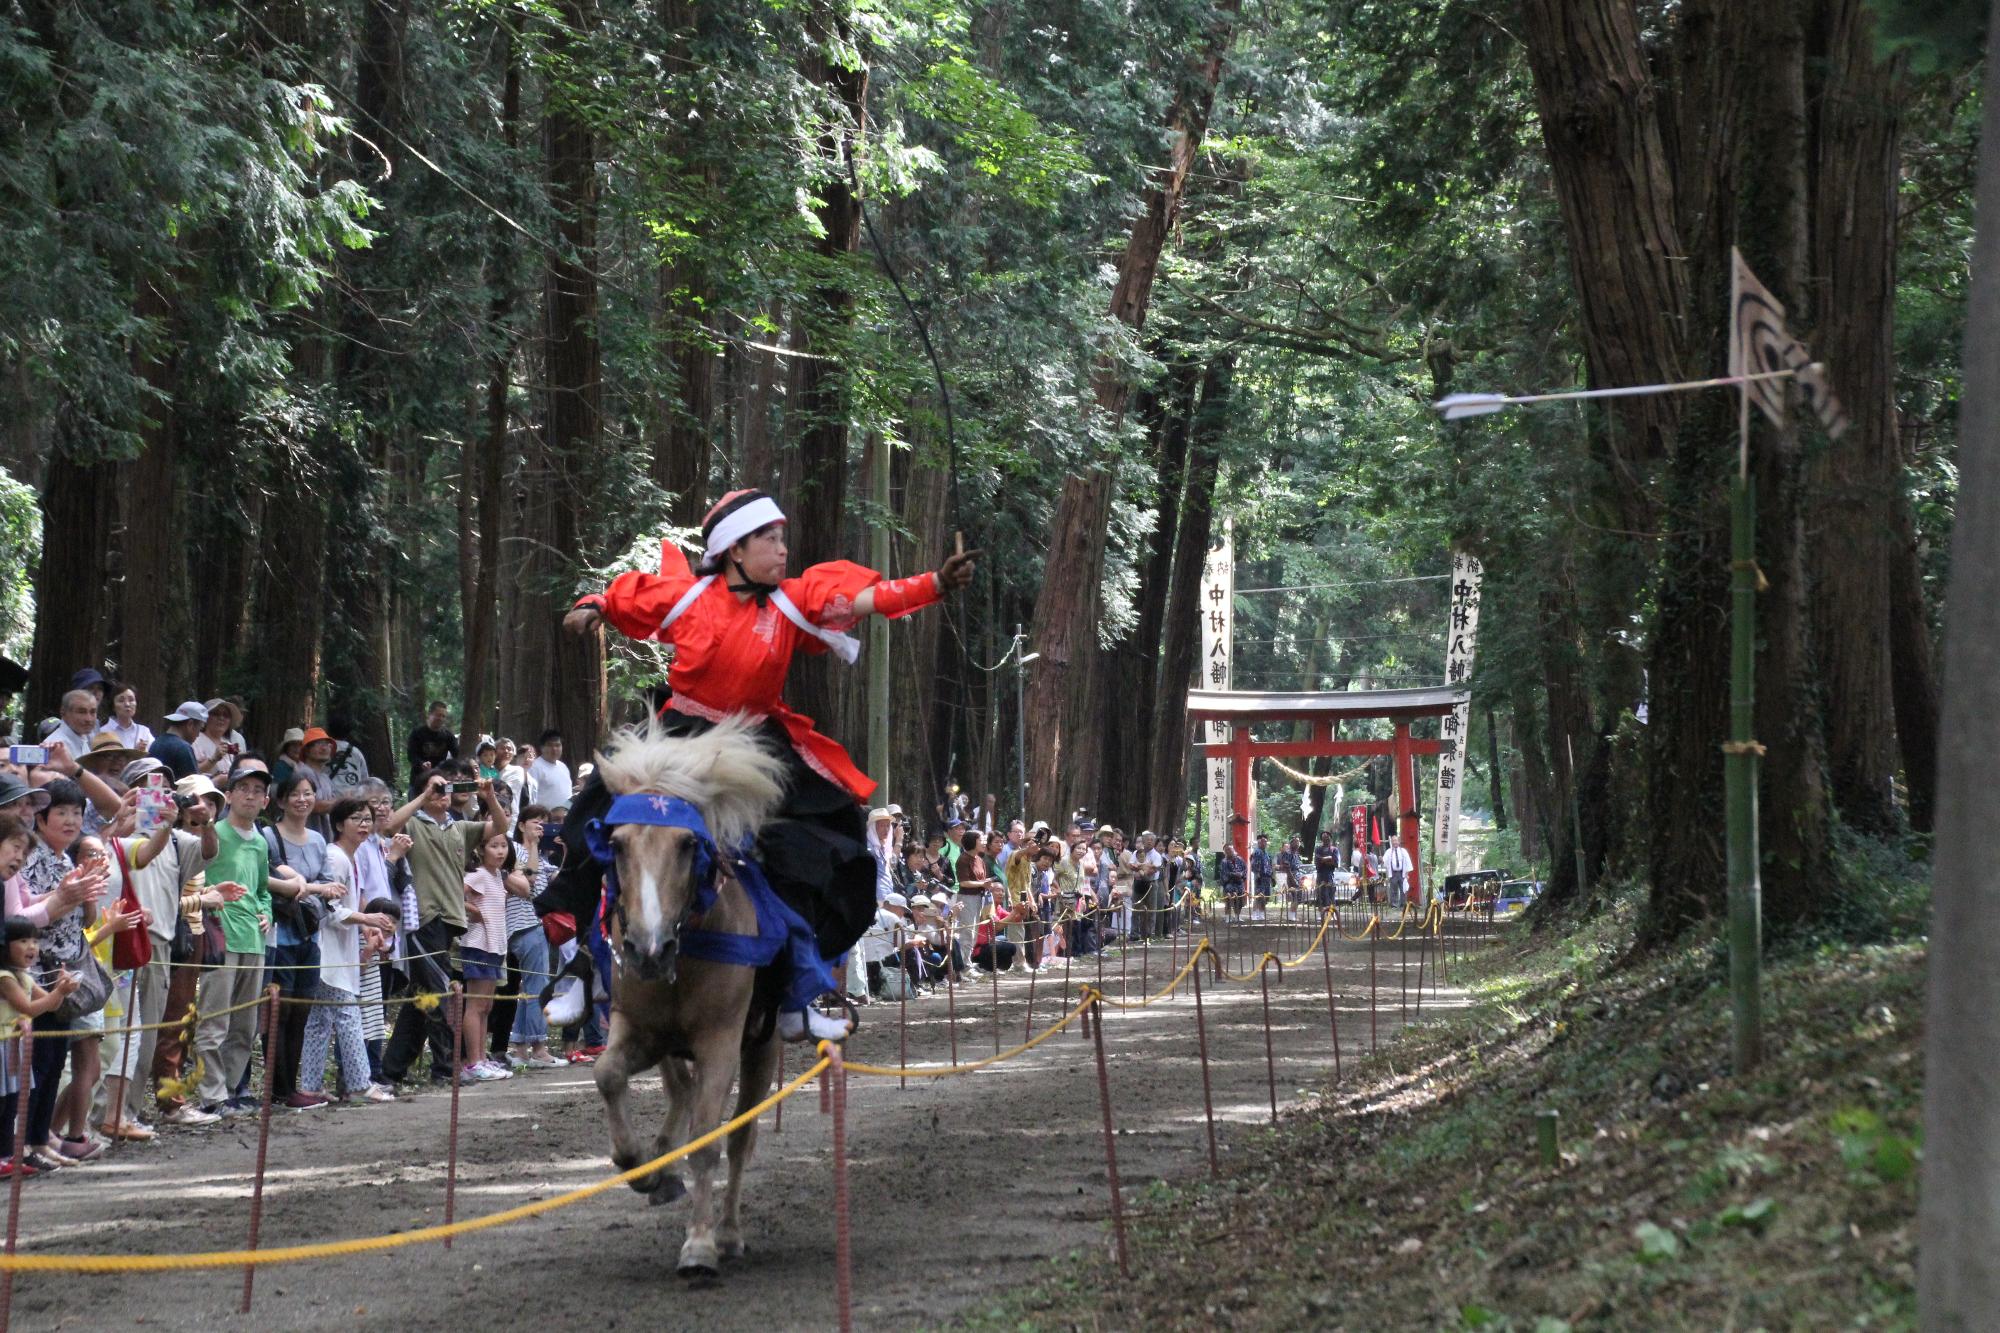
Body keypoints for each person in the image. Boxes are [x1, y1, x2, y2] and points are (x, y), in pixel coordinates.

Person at [545, 487, 975, 1043]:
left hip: (758, 742)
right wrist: (591, 607)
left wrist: (935, 584)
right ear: (734, 550)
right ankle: (581, 970)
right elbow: (628, 600)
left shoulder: (794, 602)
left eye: (782, 537)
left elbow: (870, 598)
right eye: (769, 539)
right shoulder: (691, 598)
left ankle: (800, 987)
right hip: (684, 733)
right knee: (597, 816)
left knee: (825, 838)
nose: (782, 549)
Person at [376, 771, 510, 1086]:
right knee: (438, 994)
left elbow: (502, 828)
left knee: (422, 997)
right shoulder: (415, 822)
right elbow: (389, 826)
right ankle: (445, 1066)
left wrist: (488, 796)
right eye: (437, 788)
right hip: (422, 920)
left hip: (449, 918)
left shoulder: (460, 828)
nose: (442, 793)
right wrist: (425, 795)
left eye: (446, 788)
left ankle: (392, 1068)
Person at [299, 797, 398, 1104]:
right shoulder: (336, 857)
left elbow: (349, 907)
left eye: (368, 819)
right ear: (340, 824)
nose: (364, 824)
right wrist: (366, 918)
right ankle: (358, 1084)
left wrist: (364, 925)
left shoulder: (351, 858)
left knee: (319, 1022)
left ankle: (310, 1087)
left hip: (338, 953)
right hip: (328, 953)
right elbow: (330, 909)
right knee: (347, 1015)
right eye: (357, 819)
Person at [193, 760, 275, 1118]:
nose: (251, 796)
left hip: (253, 940)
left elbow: (263, 889)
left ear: (266, 802)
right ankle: (210, 1095)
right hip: (219, 938)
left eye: (258, 791)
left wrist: (267, 912)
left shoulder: (260, 841)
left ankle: (228, 1090)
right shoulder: (214, 835)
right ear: (228, 795)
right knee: (214, 1020)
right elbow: (194, 879)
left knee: (244, 1025)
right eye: (244, 789)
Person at [0, 912, 80, 1178]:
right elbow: (29, 1008)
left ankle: (9, 1154)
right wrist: (58, 994)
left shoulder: (24, 976)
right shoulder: (5, 978)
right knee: (2, 1102)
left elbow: (49, 1004)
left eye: (34, 941)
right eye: (23, 940)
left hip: (17, 1046)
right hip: (4, 1046)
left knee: (13, 1102)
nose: (32, 947)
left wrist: (61, 990)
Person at [458, 830, 518, 1082]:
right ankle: (472, 1062)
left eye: (504, 846)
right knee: (476, 1005)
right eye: (494, 846)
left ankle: (481, 1058)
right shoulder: (479, 875)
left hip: (495, 946)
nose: (500, 851)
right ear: (481, 849)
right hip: (478, 945)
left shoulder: (497, 877)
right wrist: (473, 911)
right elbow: (455, 895)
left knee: (487, 1006)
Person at [504, 806, 561, 1070]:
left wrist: (567, 847)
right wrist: (533, 846)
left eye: (544, 823)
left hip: (530, 925)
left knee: (530, 987)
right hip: (524, 925)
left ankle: (520, 1048)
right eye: (535, 822)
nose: (540, 826)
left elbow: (559, 879)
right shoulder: (513, 851)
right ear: (521, 825)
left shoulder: (540, 855)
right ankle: (538, 1048)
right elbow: (532, 888)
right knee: (537, 986)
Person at [149, 701, 210, 783]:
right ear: (190, 724)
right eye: (200, 729)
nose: (198, 735)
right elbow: (193, 786)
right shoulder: (183, 748)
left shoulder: (156, 743)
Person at [406, 702, 457, 782]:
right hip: (419, 779)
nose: (441, 718)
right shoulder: (417, 733)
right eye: (438, 715)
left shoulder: (448, 735)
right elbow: (411, 755)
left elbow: (457, 754)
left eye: (443, 716)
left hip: (440, 779)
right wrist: (421, 764)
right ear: (430, 714)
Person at [97, 684, 154, 753]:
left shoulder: (144, 731)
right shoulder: (102, 732)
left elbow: (155, 755)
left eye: (131, 700)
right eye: (121, 700)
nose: (127, 704)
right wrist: (134, 754)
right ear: (113, 706)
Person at [47, 689, 99, 761]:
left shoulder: (83, 738)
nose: (89, 719)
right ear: (63, 713)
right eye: (81, 712)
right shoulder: (56, 746)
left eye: (93, 712)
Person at [527, 731, 573, 813]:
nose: (554, 749)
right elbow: (530, 796)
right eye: (549, 745)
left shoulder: (563, 767)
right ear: (542, 748)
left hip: (565, 817)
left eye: (557, 745)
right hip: (545, 818)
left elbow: (567, 793)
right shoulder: (535, 767)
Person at [1249, 833, 1274, 923]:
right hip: (1260, 876)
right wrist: (1258, 875)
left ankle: (1261, 912)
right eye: (1262, 842)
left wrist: (1272, 876)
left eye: (1266, 842)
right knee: (1259, 895)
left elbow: (1269, 865)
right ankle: (1255, 913)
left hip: (1267, 876)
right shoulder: (1257, 852)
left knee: (1265, 896)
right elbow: (1254, 864)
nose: (1264, 843)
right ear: (1259, 843)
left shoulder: (1267, 853)